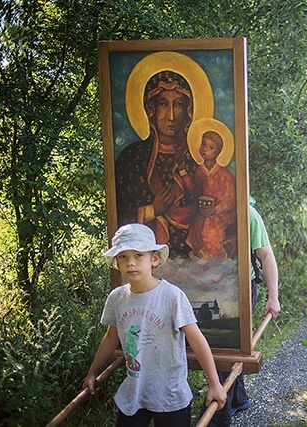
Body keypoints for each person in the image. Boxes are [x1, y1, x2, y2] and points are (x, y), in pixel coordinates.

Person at [84, 223, 227, 426]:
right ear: (116, 261)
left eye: (138, 255)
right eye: (123, 256)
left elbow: (197, 340)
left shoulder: (172, 296)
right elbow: (110, 337)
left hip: (170, 394)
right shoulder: (117, 298)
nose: (130, 263)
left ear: (155, 258)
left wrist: (215, 383)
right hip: (134, 392)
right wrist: (92, 372)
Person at [204, 197, 281, 426]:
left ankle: (218, 417)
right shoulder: (202, 210)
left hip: (240, 291)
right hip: (210, 289)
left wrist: (273, 297)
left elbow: (266, 255)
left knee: (225, 348)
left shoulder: (248, 214)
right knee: (228, 347)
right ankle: (238, 399)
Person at [114, 70, 198, 258]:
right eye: (162, 104)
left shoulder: (195, 159)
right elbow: (118, 218)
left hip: (194, 265)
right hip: (146, 264)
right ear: (150, 109)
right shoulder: (132, 158)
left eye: (178, 105)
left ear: (188, 111)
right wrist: (152, 210)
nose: (170, 116)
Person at [179, 129, 236, 259]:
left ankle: (210, 254)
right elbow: (194, 190)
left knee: (211, 222)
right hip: (205, 210)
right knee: (198, 222)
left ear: (218, 152)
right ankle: (200, 251)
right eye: (203, 144)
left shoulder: (225, 174)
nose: (205, 149)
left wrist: (215, 210)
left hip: (222, 213)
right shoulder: (200, 171)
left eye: (211, 147)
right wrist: (182, 170)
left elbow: (231, 199)